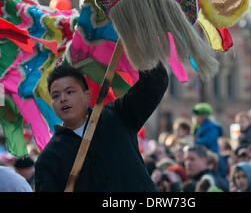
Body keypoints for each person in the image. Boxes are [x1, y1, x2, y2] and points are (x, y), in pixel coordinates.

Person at [34, 62, 168, 192]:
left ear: (87, 96)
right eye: (55, 95)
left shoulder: (116, 116)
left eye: (69, 92)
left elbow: (154, 82)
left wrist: (138, 47)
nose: (62, 99)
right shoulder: (49, 158)